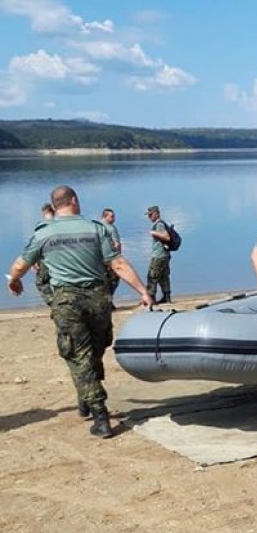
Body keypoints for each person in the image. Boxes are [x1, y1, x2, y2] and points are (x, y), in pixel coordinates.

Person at [6, 184, 151, 439]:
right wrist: (142, 291)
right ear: (74, 200)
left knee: (78, 353)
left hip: (67, 301)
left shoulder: (44, 233)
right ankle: (88, 398)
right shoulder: (97, 228)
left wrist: (14, 281)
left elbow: (20, 264)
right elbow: (117, 263)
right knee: (92, 351)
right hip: (98, 298)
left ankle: (99, 415)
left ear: (54, 206)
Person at [146, 205, 172, 305]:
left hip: (159, 256)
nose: (149, 217)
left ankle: (151, 299)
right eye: (149, 215)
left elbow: (167, 237)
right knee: (164, 276)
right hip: (164, 254)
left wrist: (153, 233)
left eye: (151, 215)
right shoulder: (161, 223)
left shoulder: (159, 224)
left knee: (152, 277)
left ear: (157, 214)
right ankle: (167, 297)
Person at [34, 202, 55, 305]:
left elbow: (38, 245)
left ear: (43, 212)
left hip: (46, 258)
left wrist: (35, 260)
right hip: (64, 258)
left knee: (41, 283)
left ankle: (54, 304)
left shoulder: (41, 226)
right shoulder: (62, 223)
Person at [101, 207, 121, 306]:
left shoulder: (97, 226)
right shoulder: (111, 228)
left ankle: (106, 301)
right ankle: (109, 301)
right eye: (112, 217)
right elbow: (117, 244)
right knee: (114, 280)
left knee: (103, 281)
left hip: (100, 259)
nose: (114, 219)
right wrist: (119, 256)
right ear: (105, 217)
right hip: (111, 259)